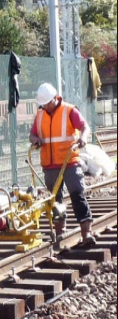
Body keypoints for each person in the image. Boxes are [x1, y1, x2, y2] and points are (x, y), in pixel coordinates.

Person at [29, 83, 96, 246]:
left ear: (55, 98)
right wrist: (35, 140)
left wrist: (83, 138)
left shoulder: (69, 110)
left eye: (47, 103)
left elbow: (84, 127)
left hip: (69, 162)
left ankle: (86, 233)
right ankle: (60, 231)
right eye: (42, 104)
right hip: (50, 165)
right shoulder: (40, 114)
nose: (45, 106)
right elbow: (32, 134)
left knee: (77, 195)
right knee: (56, 200)